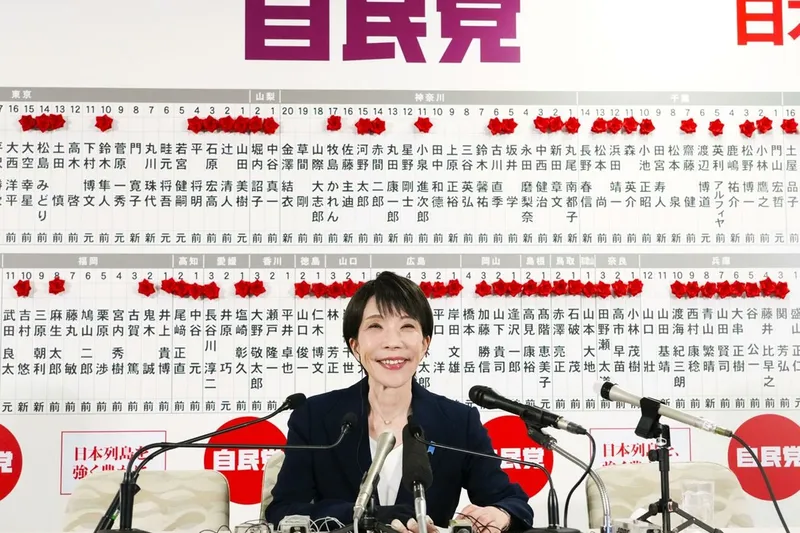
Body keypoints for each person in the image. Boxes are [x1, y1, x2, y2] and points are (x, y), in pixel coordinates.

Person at [265, 271, 534, 533]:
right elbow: (283, 510)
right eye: (375, 326)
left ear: (425, 343)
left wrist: (499, 515)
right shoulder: (314, 417)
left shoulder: (458, 422)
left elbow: (511, 502)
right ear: (355, 345)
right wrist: (366, 518)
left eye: (407, 326)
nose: (392, 342)